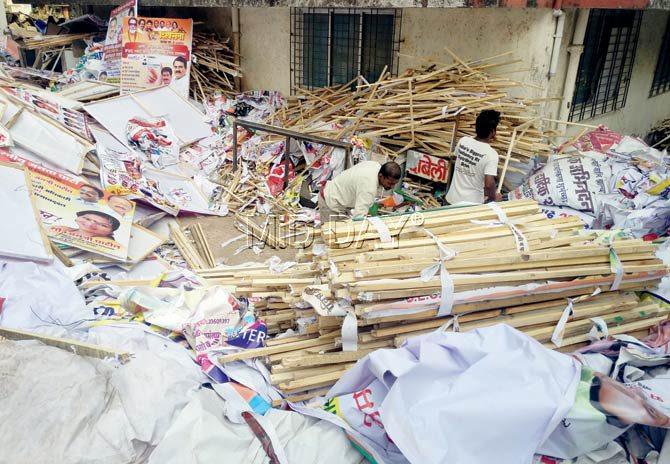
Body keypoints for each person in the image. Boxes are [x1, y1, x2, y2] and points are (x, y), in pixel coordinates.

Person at [445, 109, 503, 205]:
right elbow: (489, 184)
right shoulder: (491, 154)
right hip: (470, 207)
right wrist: (493, 198)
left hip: (451, 200)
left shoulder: (463, 141)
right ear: (493, 132)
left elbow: (455, 159)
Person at [319, 161, 401, 222]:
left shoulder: (376, 165)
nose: (391, 187)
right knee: (331, 238)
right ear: (381, 176)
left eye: (394, 184)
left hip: (339, 198)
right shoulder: (369, 187)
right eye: (389, 183)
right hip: (330, 201)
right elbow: (358, 218)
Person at [49, 210, 121, 244]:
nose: (90, 224)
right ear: (77, 218)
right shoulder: (60, 228)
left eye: (103, 225)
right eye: (87, 219)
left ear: (111, 232)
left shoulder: (107, 243)